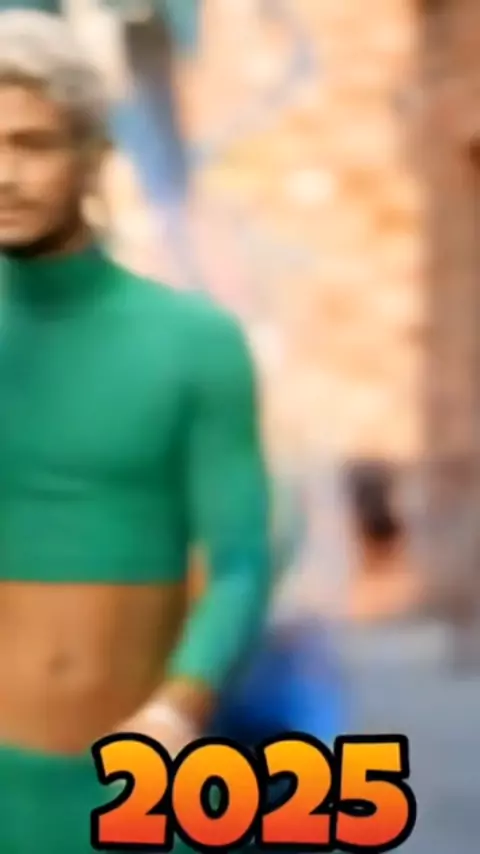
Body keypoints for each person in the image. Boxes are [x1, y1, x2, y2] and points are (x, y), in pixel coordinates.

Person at [0, 10, 271, 854]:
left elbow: (240, 561)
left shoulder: (193, 342)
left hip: (137, 787)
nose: (4, 174)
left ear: (93, 153)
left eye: (33, 144)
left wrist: (179, 709)